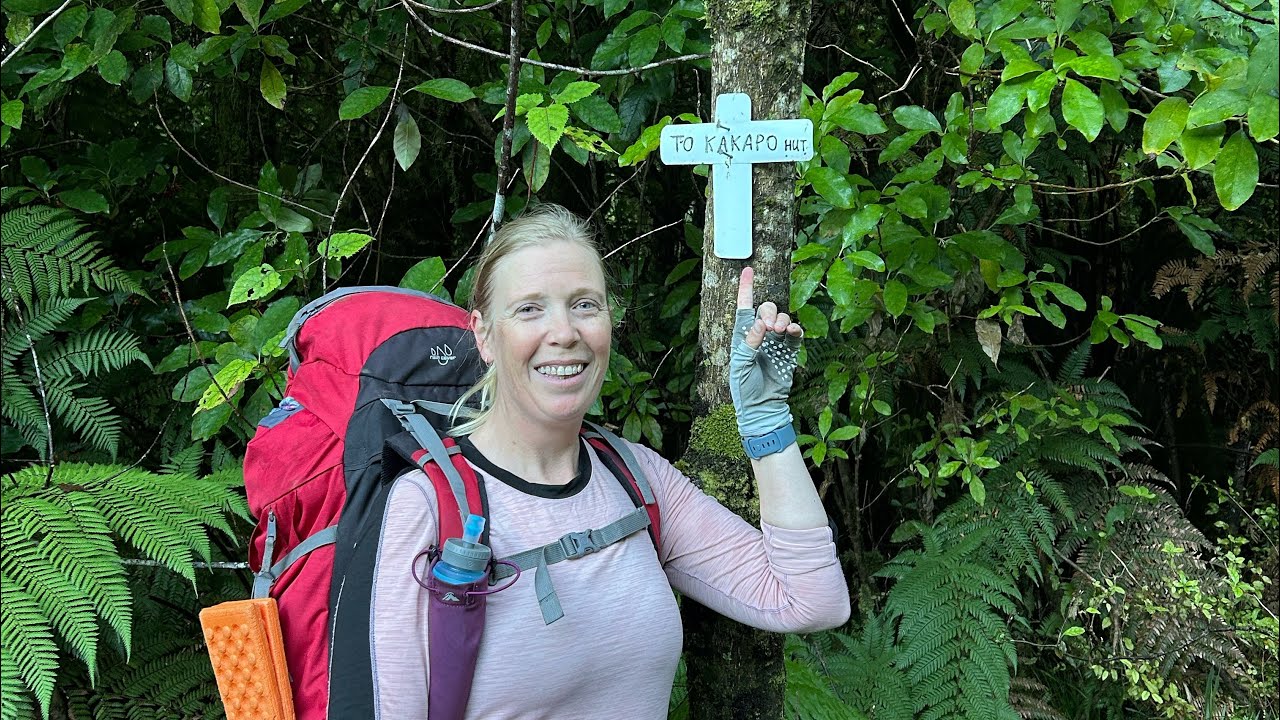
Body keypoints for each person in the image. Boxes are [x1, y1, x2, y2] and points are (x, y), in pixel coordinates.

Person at [369, 204, 849, 718]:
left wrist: (764, 420)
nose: (565, 332)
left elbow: (812, 599)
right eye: (530, 309)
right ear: (484, 335)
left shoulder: (634, 478)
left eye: (584, 305)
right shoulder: (427, 506)